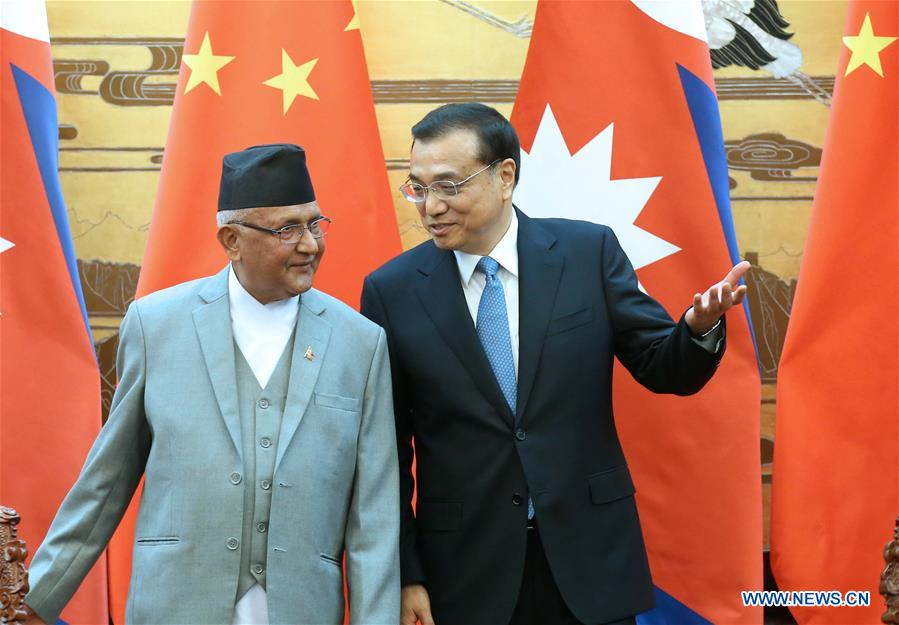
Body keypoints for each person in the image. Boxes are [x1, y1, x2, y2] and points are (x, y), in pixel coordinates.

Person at [360, 104, 749, 625]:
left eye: (449, 186)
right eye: (418, 187)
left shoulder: (586, 253)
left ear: (504, 176)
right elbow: (387, 449)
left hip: (589, 557)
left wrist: (698, 330)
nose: (431, 206)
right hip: (465, 571)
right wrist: (407, 573)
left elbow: (662, 367)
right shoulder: (393, 290)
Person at [23, 144, 400, 625]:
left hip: (302, 609)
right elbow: (106, 481)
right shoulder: (156, 325)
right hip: (176, 605)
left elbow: (375, 519)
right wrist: (35, 603)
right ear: (231, 240)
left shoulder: (360, 343)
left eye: (314, 224)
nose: (310, 244)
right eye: (287, 228)